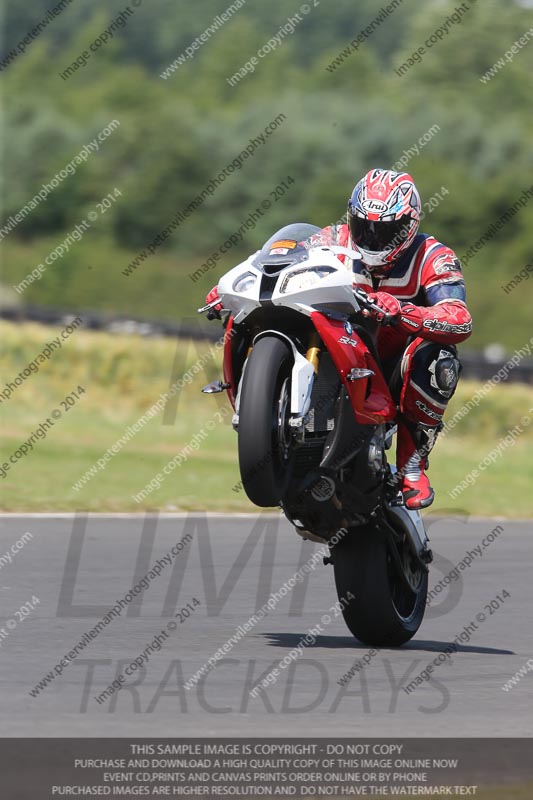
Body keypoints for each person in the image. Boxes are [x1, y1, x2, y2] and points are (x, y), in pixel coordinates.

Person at [206, 168, 473, 509]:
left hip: (392, 360)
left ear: (410, 225)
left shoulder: (434, 257)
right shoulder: (330, 238)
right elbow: (276, 265)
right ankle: (271, 419)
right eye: (365, 226)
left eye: (386, 230)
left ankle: (411, 466)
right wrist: (232, 286)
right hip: (340, 341)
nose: (373, 237)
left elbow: (459, 319)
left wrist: (405, 314)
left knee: (438, 359)